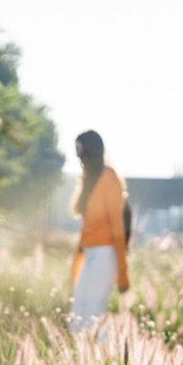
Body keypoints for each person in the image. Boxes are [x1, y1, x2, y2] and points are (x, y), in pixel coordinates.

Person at [68, 130, 130, 340]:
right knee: (77, 313)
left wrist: (123, 273)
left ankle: (105, 356)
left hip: (106, 253)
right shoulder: (88, 179)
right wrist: (76, 265)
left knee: (93, 312)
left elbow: (118, 228)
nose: (80, 159)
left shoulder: (109, 178)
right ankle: (79, 356)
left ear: (93, 152)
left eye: (82, 153)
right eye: (77, 154)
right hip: (90, 254)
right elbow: (85, 231)